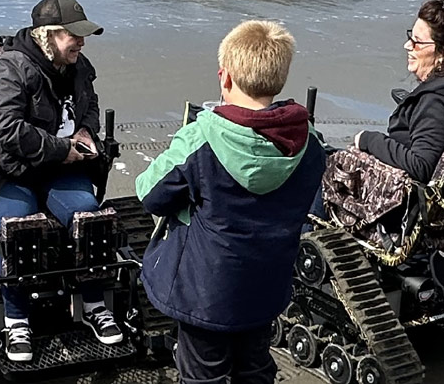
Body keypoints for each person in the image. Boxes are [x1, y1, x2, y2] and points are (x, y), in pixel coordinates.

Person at [135, 20, 326, 384]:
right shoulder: (310, 143)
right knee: (254, 367)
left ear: (225, 77)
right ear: (279, 78)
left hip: (206, 289)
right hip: (266, 282)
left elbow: (150, 193)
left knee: (203, 374)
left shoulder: (202, 137)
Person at [0, 0, 123, 363]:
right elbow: (3, 128)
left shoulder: (78, 68)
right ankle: (16, 321)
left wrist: (85, 131)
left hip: (60, 170)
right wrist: (60, 149)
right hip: (6, 172)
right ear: (47, 34)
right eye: (73, 35)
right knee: (23, 225)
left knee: (91, 217)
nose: (81, 42)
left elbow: (91, 105)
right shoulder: (10, 69)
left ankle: (94, 304)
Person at [353, 0, 444, 183]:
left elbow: (422, 166)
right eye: (410, 37)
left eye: (417, 42)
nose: (407, 45)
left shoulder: (435, 102)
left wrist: (369, 140)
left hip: (410, 201)